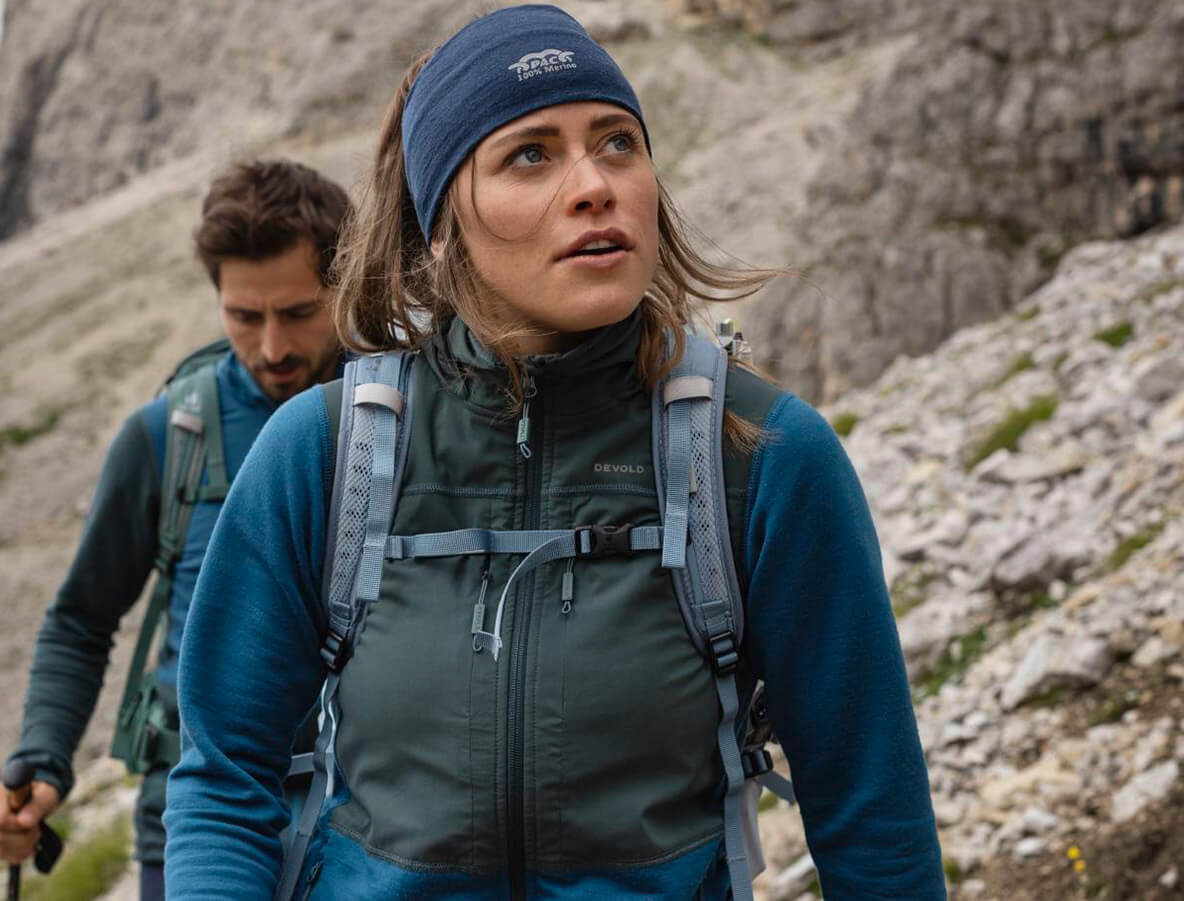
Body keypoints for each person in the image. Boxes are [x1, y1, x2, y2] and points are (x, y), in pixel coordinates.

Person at [163, 5, 946, 899]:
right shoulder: (323, 453)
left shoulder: (763, 455)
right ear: (441, 220)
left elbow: (871, 815)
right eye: (530, 153)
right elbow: (227, 780)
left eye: (617, 143)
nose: (595, 185)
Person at [0, 159, 350, 901]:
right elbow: (81, 617)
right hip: (191, 833)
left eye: (299, 312)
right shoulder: (165, 437)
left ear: (348, 283)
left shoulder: (402, 415)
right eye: (245, 317)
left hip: (367, 836)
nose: (272, 347)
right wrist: (42, 762)